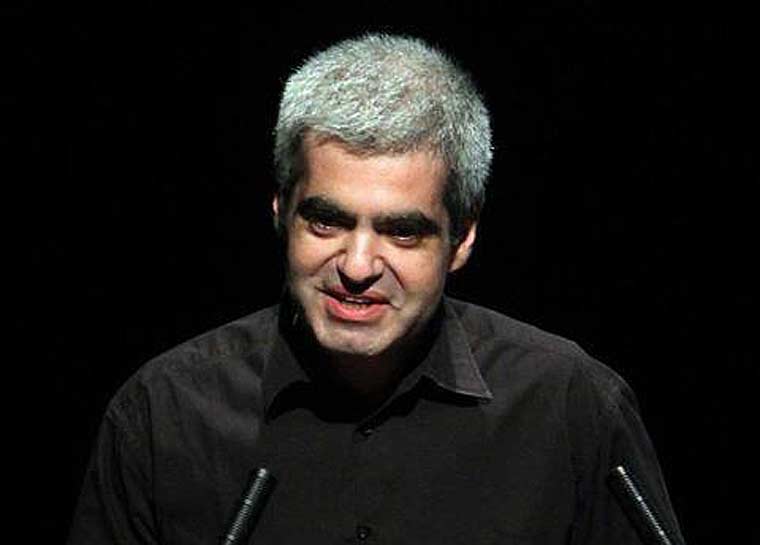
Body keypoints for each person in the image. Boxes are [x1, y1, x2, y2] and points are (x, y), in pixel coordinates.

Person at [68, 34, 685, 544]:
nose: (358, 265)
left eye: (402, 232)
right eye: (326, 221)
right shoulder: (163, 415)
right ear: (281, 211)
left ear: (462, 239)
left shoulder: (571, 407)